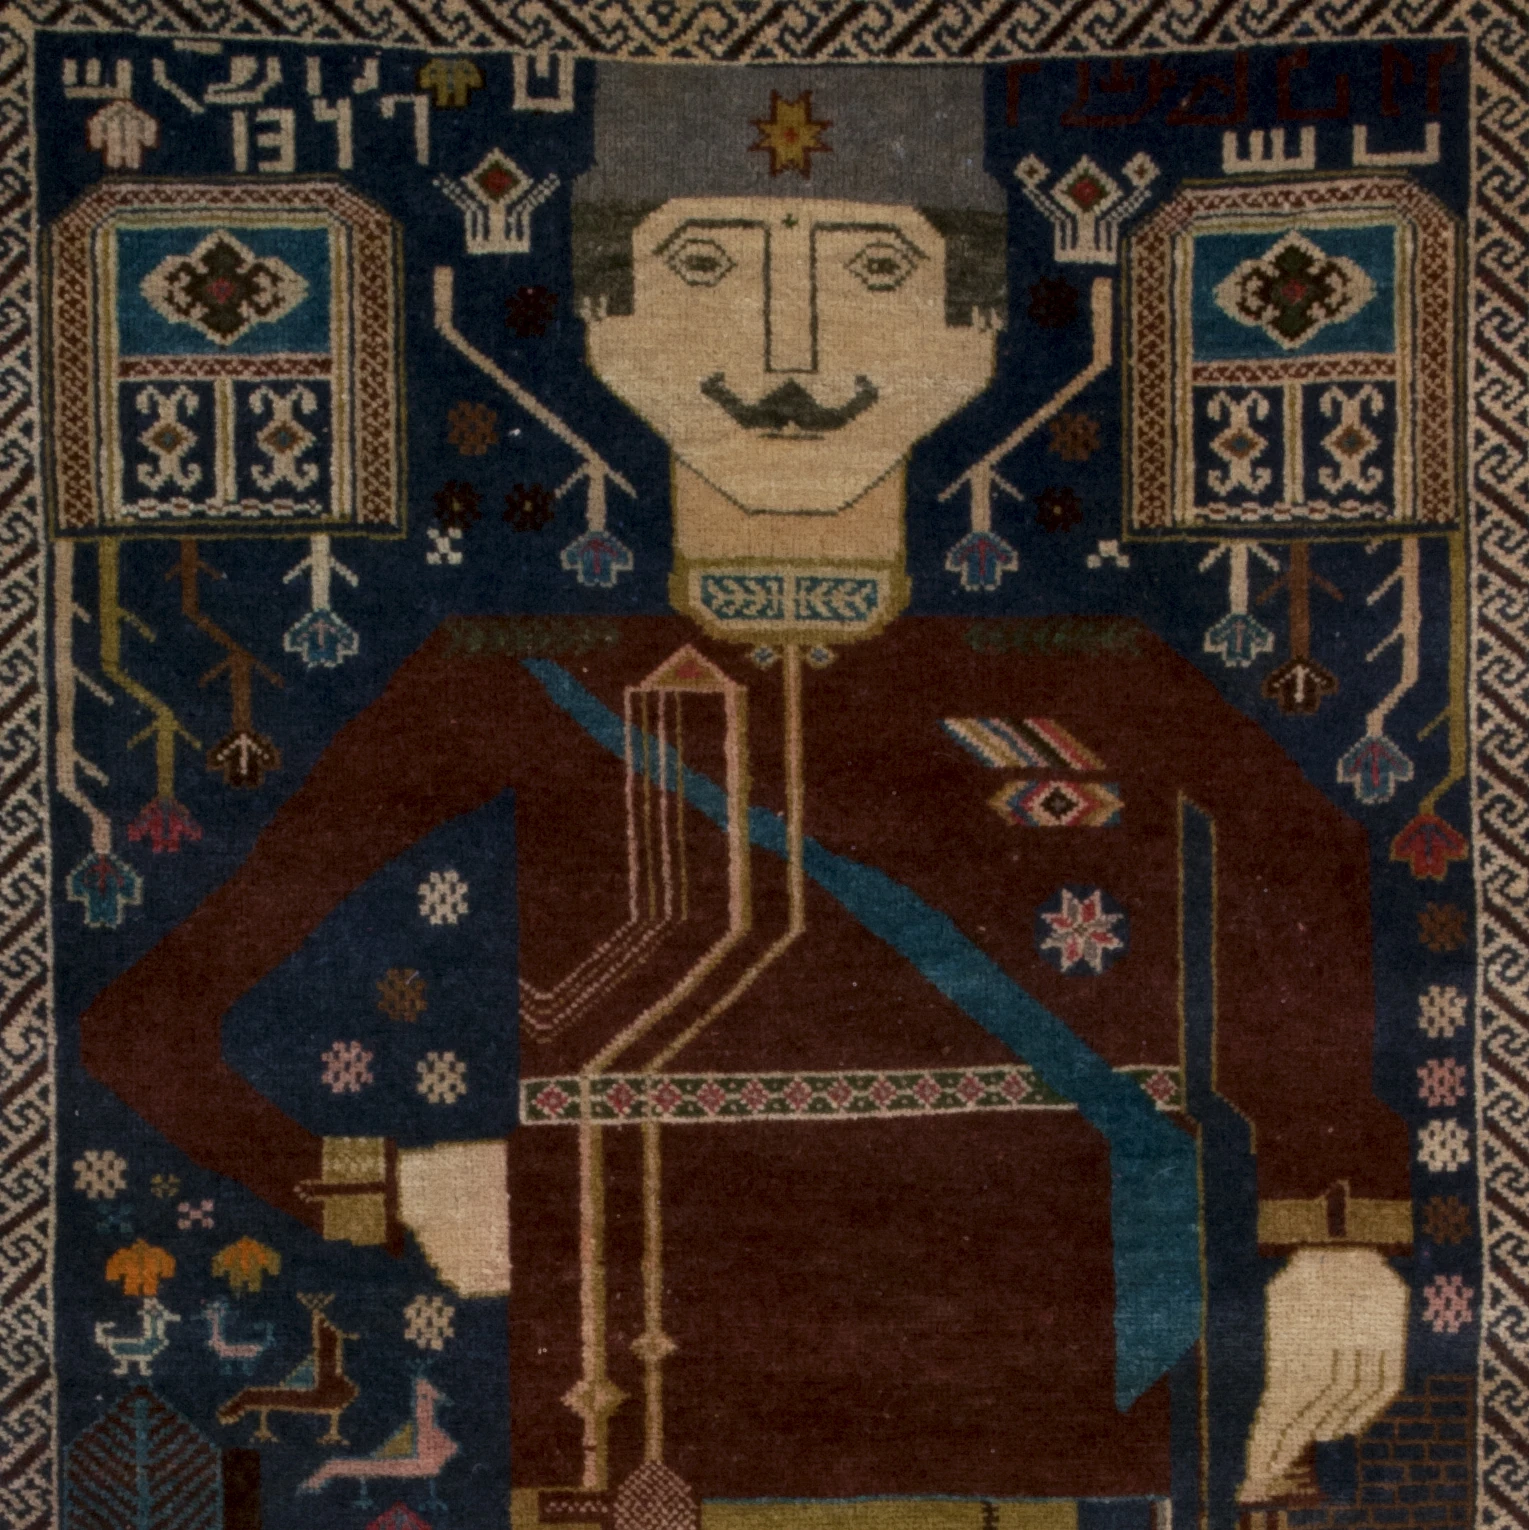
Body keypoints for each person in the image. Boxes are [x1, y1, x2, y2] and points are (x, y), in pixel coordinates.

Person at [81, 64, 1412, 1525]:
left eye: (876, 271)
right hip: (636, 1457)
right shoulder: (503, 682)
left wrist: (1337, 1237)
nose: (791, 346)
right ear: (609, 319)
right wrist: (386, 1183)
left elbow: (1312, 871)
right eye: (706, 267)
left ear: (973, 327)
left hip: (1055, 1462)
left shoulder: (1100, 674)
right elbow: (148, 1025)